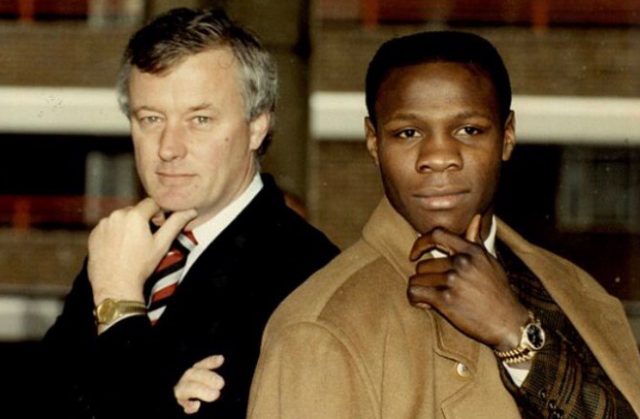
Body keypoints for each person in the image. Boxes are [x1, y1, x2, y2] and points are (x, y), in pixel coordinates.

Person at [245, 31, 640, 418]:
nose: (438, 156)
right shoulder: (319, 330)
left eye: (469, 130)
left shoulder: (580, 292)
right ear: (373, 143)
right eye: (408, 133)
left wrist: (515, 332)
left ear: (507, 137)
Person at [39, 7, 338, 419]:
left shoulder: (306, 272)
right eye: (151, 119)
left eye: (199, 119)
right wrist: (165, 394)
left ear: (257, 127)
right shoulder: (124, 243)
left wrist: (120, 303)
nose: (168, 147)